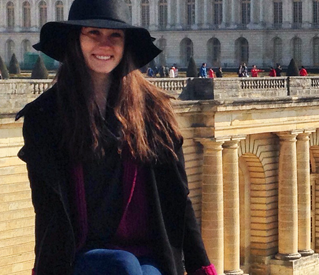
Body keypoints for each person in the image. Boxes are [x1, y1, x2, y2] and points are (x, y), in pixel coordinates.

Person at [18, 0, 216, 274]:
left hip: (146, 252)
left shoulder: (152, 110)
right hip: (82, 252)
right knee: (123, 265)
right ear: (77, 39)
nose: (105, 44)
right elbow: (48, 210)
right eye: (93, 33)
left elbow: (177, 197)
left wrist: (201, 265)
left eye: (115, 35)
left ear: (125, 45)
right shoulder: (46, 116)